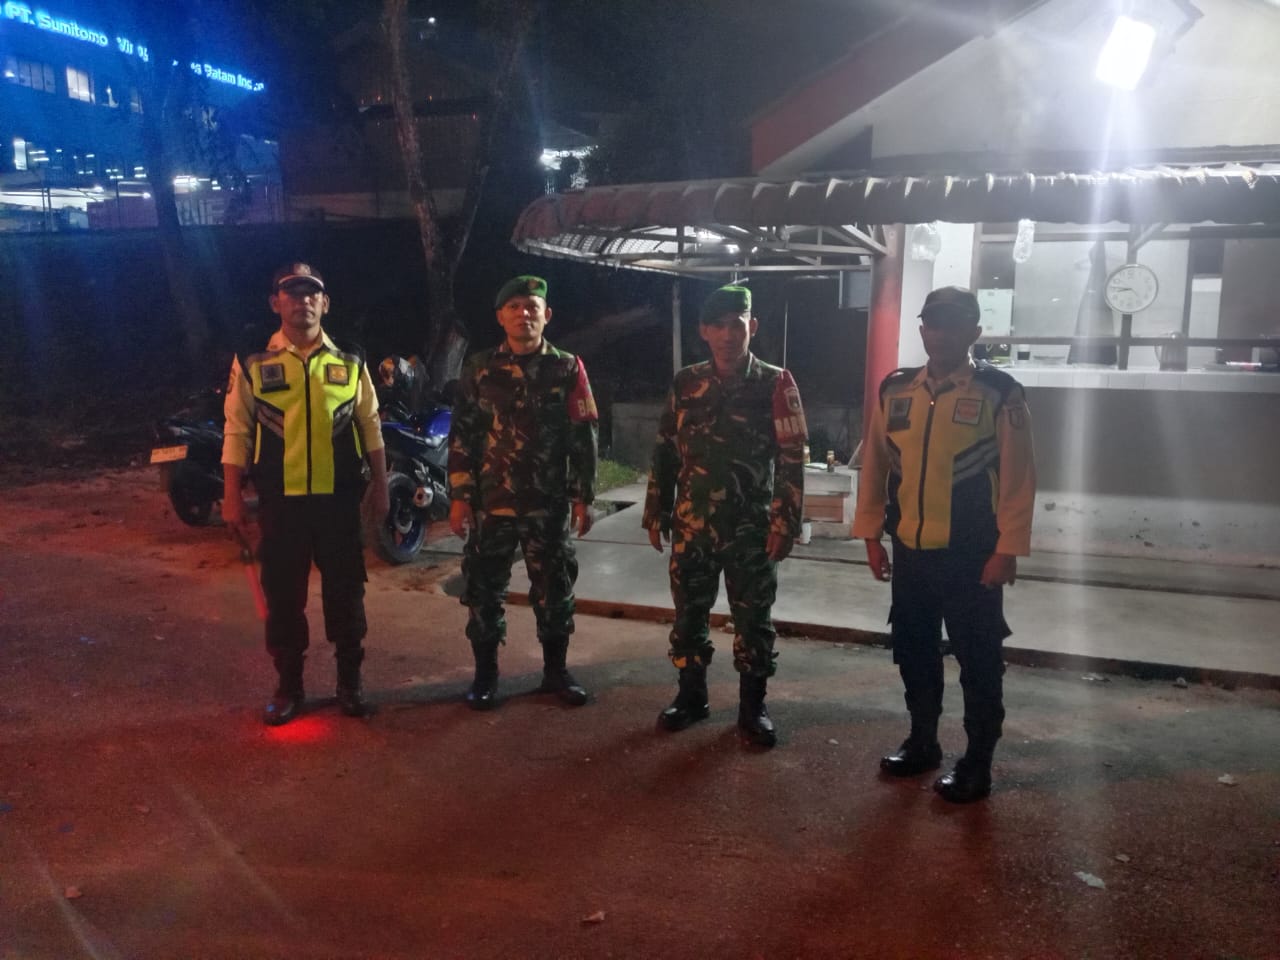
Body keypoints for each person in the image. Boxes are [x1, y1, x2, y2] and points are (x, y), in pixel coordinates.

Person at [852, 285, 1036, 802]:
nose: (942, 333)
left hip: (973, 556)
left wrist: (1007, 549)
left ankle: (978, 761)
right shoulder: (897, 390)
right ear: (922, 330)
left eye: (954, 324)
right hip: (911, 552)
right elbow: (876, 467)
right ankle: (922, 741)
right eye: (933, 324)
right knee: (914, 651)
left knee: (979, 661)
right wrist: (871, 534)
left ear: (974, 332)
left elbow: (1019, 479)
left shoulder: (1000, 392)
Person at [222, 262, 390, 726]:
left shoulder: (350, 358)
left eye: (311, 293)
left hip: (339, 502)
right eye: (292, 293)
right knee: (283, 597)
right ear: (275, 302)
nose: (303, 301)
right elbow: (236, 429)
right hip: (282, 504)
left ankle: (350, 685)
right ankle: (289, 687)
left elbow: (369, 424)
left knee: (347, 593)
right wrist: (231, 495)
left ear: (325, 303)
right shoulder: (253, 359)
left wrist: (381, 485)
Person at [643, 284, 807, 748]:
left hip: (751, 529)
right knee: (688, 615)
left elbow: (792, 457)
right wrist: (656, 508)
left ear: (752, 326)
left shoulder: (776, 382)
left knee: (753, 620)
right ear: (704, 331)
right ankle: (691, 696)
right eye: (718, 326)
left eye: (737, 325)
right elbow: (665, 448)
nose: (728, 335)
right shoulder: (685, 383)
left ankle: (753, 709)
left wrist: (785, 522)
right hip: (691, 525)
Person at [448, 275, 599, 710]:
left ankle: (555, 673)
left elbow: (583, 434)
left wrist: (582, 496)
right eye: (514, 307)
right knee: (484, 590)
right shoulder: (479, 367)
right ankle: (485, 676)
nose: (523, 314)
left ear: (546, 315)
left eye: (532, 306)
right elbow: (463, 434)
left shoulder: (567, 367)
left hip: (546, 502)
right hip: (491, 502)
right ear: (501, 317)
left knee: (554, 589)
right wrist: (460, 495)